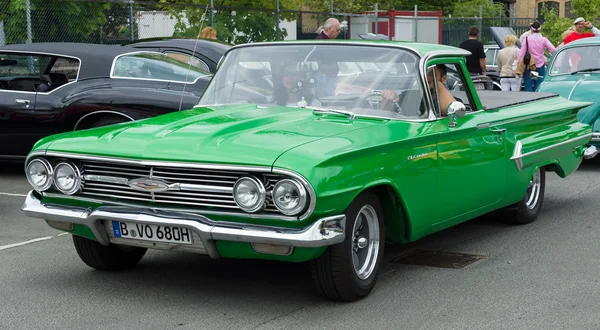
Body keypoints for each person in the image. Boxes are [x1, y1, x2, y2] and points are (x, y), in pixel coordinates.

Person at [382, 64, 455, 116]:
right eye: (423, 74)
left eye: (431, 73)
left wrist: (437, 84)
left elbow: (450, 110)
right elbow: (383, 113)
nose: (426, 77)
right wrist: (389, 97)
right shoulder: (407, 96)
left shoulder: (453, 102)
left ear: (444, 78)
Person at [517, 21, 555, 92]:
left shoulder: (527, 39)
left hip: (529, 65)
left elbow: (522, 53)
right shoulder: (544, 40)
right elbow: (553, 50)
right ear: (540, 29)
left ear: (532, 29)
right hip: (540, 65)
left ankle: (530, 99)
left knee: (528, 85)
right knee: (539, 85)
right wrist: (550, 60)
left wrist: (518, 62)